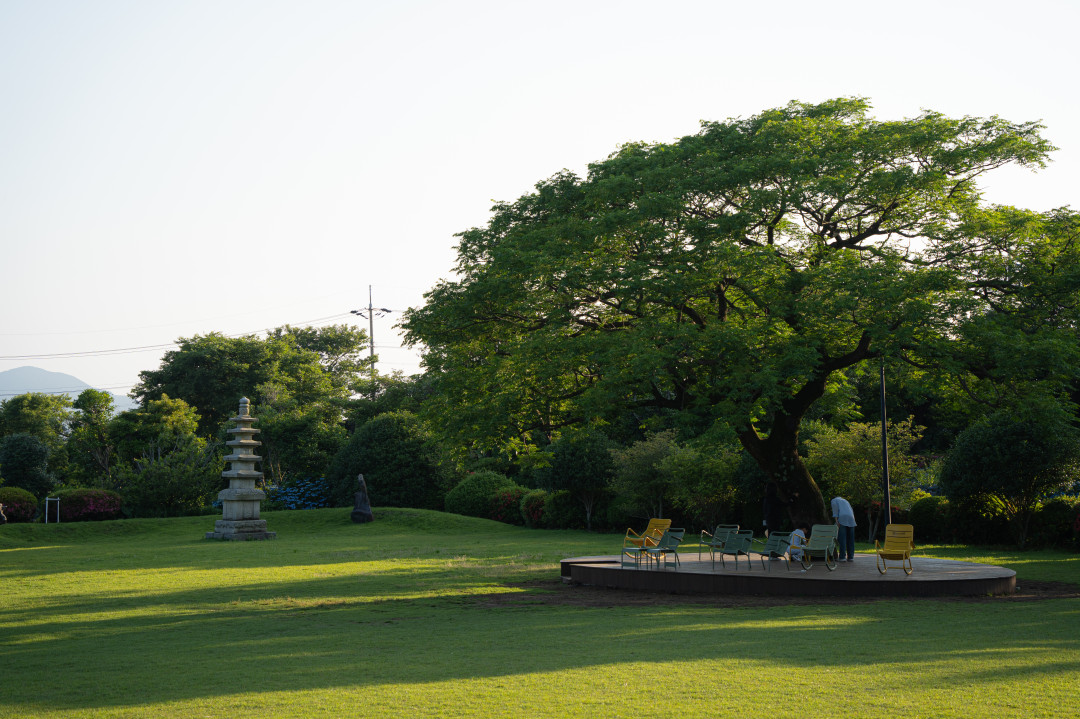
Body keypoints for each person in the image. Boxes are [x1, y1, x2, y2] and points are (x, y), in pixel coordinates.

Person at [831, 496, 857, 562]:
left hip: (842, 517)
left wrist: (836, 521)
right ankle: (851, 557)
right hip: (851, 518)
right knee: (850, 539)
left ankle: (842, 557)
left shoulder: (834, 500)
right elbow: (851, 510)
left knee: (842, 539)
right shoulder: (845, 500)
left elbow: (835, 511)